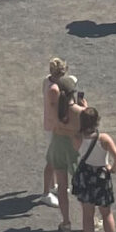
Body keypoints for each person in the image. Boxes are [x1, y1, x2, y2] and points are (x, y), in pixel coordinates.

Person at [71, 107, 116, 232]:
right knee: (106, 213)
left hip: (86, 175)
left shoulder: (77, 137)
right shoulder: (104, 139)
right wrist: (112, 170)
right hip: (101, 176)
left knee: (87, 214)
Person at [47, 74, 86, 225]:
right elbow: (85, 130)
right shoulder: (79, 112)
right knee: (82, 188)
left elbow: (56, 126)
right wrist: (85, 107)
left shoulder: (55, 108)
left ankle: (66, 221)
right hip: (74, 149)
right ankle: (88, 220)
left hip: (57, 146)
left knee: (62, 187)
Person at [40, 59, 68, 207]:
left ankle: (53, 185)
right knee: (52, 160)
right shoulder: (55, 89)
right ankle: (46, 193)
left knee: (54, 158)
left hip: (50, 124)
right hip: (54, 127)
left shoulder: (47, 80)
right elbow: (57, 110)